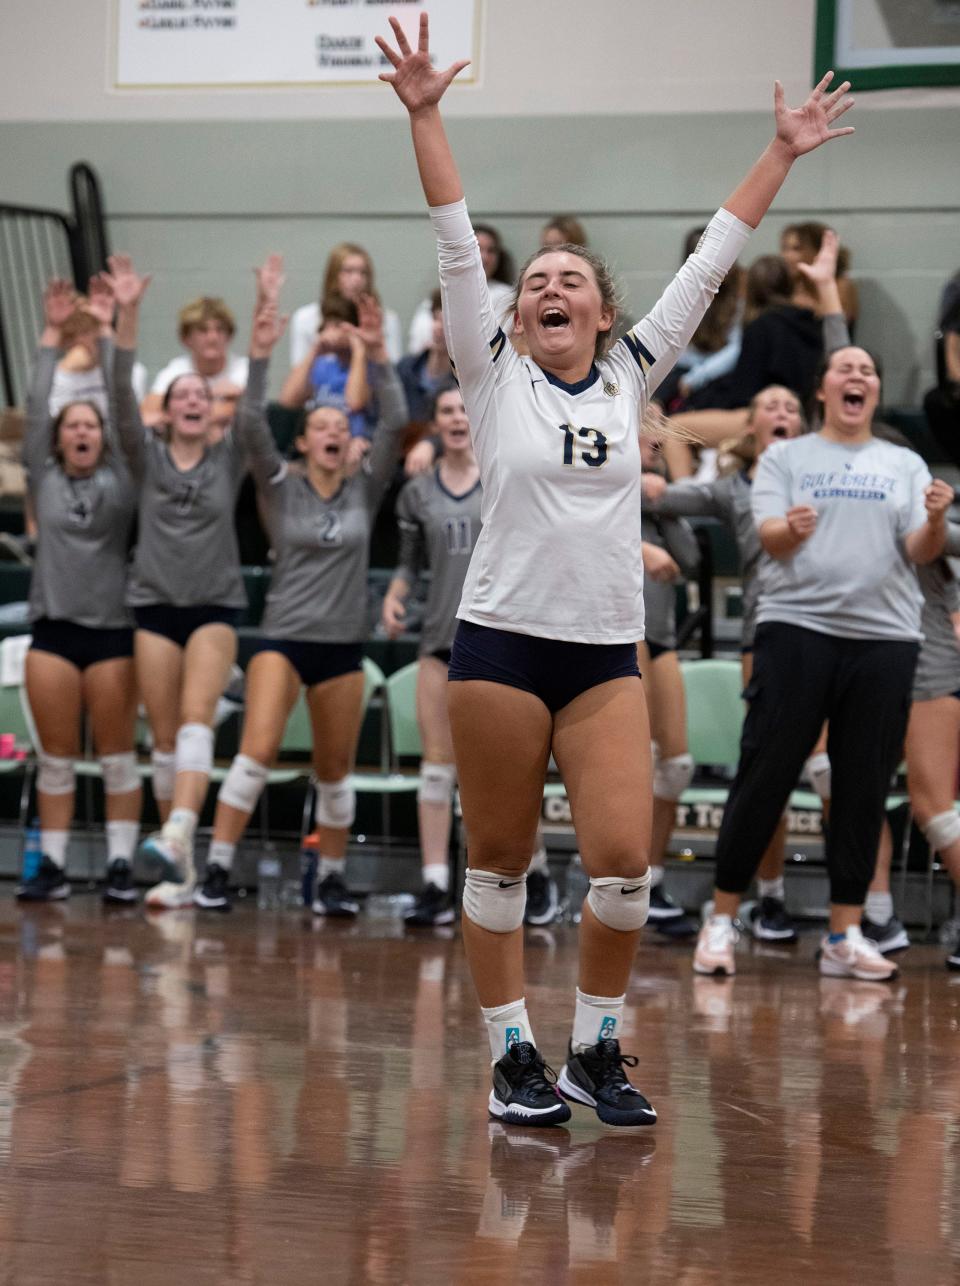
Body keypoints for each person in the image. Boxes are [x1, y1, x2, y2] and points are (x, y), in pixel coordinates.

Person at [378, 11, 855, 1126]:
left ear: (599, 306)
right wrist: (427, 111)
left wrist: (780, 152)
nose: (547, 288)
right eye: (533, 279)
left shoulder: (632, 372)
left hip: (602, 649)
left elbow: (714, 255)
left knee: (626, 860)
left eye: (568, 280)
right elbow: (455, 235)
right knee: (496, 862)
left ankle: (594, 1045)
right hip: (497, 642)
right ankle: (511, 1059)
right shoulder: (492, 375)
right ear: (516, 309)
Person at [693, 345, 954, 981]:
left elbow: (921, 550)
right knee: (766, 775)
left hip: (887, 640)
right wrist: (795, 530)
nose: (858, 376)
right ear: (823, 390)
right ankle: (722, 918)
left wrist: (936, 519)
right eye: (846, 368)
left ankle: (844, 932)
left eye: (869, 369)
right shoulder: (786, 457)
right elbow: (771, 541)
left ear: (874, 389)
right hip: (798, 631)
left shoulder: (904, 462)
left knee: (862, 789)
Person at [193, 289, 408, 916]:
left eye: (342, 427)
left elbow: (393, 422)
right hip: (283, 638)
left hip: (342, 645)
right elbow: (252, 424)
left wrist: (378, 352)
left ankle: (332, 877)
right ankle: (216, 869)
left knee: (336, 768)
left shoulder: (366, 491)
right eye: (321, 427)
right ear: (306, 442)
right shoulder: (280, 486)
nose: (334, 432)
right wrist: (261, 355)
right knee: (257, 749)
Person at [108, 252, 284, 909]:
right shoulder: (144, 455)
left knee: (191, 720)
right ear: (167, 410)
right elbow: (117, 390)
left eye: (200, 397)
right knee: (160, 738)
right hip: (153, 604)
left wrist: (262, 343)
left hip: (212, 605)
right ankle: (174, 866)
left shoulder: (229, 454)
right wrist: (127, 315)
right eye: (180, 394)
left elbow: (257, 404)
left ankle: (180, 830)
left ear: (212, 414)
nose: (190, 400)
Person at [645, 385, 805, 940]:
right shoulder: (732, 488)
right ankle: (768, 899)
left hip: (834, 634)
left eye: (792, 408)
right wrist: (636, 478)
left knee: (833, 773)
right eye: (770, 406)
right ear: (751, 423)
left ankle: (865, 915)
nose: (782, 413)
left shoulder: (826, 477)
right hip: (766, 635)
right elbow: (662, 495)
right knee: (770, 766)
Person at [17, 278, 141, 904]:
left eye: (92, 426)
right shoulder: (42, 476)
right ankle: (53, 867)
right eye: (75, 427)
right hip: (54, 632)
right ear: (62, 439)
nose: (84, 431)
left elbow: (122, 406)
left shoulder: (123, 478)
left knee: (118, 755)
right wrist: (49, 334)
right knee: (58, 758)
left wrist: (118, 324)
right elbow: (37, 410)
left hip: (113, 634)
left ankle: (120, 865)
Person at [381, 387, 483, 927]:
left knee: (499, 772)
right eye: (446, 411)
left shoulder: (504, 476)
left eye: (465, 408)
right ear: (435, 424)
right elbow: (409, 564)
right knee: (436, 770)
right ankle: (435, 883)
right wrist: (396, 593)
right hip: (439, 640)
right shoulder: (417, 493)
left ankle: (528, 875)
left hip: (497, 643)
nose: (457, 417)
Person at [636, 437, 702, 939]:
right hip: (622, 630)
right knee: (636, 760)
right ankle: (622, 878)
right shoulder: (597, 483)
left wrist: (661, 501)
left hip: (661, 635)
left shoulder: (658, 500)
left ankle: (652, 880)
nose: (657, 441)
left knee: (676, 764)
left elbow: (690, 558)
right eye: (646, 431)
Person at [902, 521, 960, 969]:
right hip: (899, 670)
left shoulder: (932, 530)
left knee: (935, 809)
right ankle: (873, 915)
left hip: (932, 675)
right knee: (848, 787)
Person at [141, 296, 249, 427]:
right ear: (186, 338)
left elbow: (251, 413)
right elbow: (147, 415)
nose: (213, 337)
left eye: (220, 330)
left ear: (229, 336)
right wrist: (217, 395)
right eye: (203, 330)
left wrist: (182, 408)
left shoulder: (244, 368)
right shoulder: (176, 369)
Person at [289, 242, 403, 367]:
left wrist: (369, 347)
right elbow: (297, 371)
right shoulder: (307, 317)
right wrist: (321, 348)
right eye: (348, 271)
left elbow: (394, 375)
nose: (357, 279)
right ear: (333, 275)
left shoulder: (386, 319)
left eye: (363, 272)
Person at [408, 224, 514, 354]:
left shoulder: (508, 296)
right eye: (477, 249)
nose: (484, 257)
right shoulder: (440, 296)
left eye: (491, 251)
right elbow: (418, 345)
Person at [781, 221, 858, 329]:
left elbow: (841, 324)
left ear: (817, 250)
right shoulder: (788, 285)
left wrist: (809, 306)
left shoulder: (840, 284)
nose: (787, 256)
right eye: (785, 248)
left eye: (796, 249)